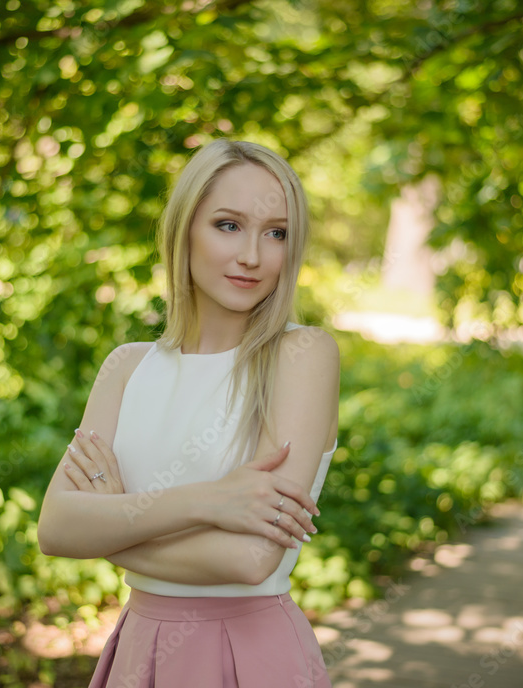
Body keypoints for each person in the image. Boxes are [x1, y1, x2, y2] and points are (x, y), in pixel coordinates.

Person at [37, 138, 339, 687]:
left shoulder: (301, 355)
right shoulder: (127, 368)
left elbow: (249, 559)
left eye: (276, 232)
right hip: (137, 652)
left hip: (249, 656)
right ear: (185, 230)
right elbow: (56, 528)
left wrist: (109, 530)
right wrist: (209, 500)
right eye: (228, 225)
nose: (252, 254)